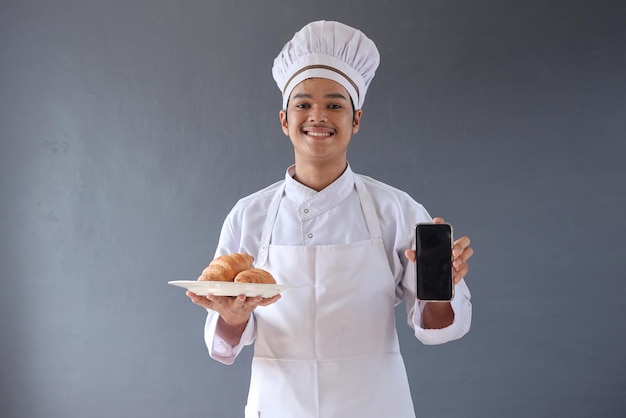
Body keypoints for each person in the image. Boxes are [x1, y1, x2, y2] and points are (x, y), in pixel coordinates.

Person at [187, 20, 473, 418]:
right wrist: (232, 316)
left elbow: (434, 328)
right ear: (285, 120)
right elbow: (224, 343)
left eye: (335, 105)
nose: (317, 116)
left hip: (375, 406)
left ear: (356, 120)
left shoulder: (397, 210)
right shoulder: (248, 216)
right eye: (303, 104)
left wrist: (443, 285)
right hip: (277, 407)